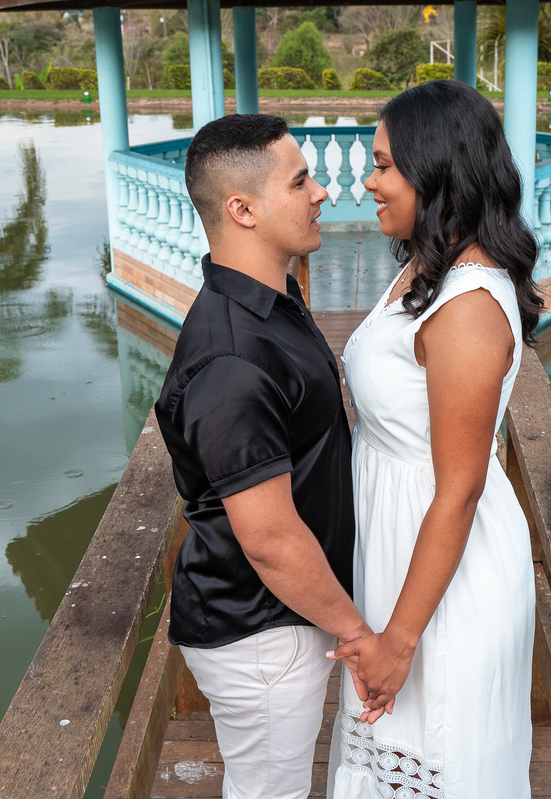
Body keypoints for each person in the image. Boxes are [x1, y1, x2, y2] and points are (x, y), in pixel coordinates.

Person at [327, 80, 545, 798]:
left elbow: (460, 488)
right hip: (398, 544)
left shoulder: (469, 306)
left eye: (385, 164)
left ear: (436, 170)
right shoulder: (428, 268)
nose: (369, 180)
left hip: (444, 576)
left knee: (438, 758)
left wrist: (399, 640)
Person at [154, 113, 371, 799]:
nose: (323, 194)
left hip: (284, 615)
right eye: (301, 181)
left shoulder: (273, 298)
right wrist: (358, 633)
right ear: (240, 209)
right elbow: (271, 540)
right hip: (261, 631)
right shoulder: (233, 359)